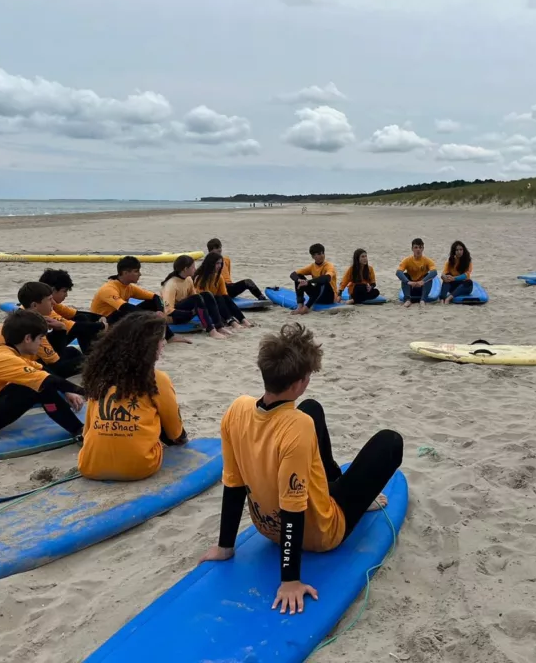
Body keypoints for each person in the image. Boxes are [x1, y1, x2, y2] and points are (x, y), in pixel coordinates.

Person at [198, 323, 403, 613]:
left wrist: (225, 547)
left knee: (312, 408)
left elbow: (233, 483)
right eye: (308, 376)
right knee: (390, 442)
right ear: (297, 383)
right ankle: (354, 503)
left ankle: (335, 483)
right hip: (321, 532)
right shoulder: (297, 427)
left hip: (267, 528)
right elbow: (292, 509)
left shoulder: (237, 409)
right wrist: (290, 580)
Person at [78, 313, 189, 481]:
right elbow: (174, 431)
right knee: (158, 414)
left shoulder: (98, 373)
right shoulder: (156, 378)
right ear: (148, 345)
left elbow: (87, 430)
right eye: (161, 340)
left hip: (89, 466)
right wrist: (181, 438)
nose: (164, 344)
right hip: (140, 468)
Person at [0, 309, 85, 440]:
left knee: (38, 381)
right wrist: (87, 392)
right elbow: (48, 381)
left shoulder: (1, 350)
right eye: (40, 338)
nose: (41, 343)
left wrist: (68, 392)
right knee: (39, 388)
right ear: (27, 338)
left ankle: (71, 422)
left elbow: (42, 370)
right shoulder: (5, 359)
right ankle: (79, 430)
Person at [90, 256, 190, 344]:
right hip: (104, 322)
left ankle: (170, 337)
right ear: (125, 273)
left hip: (119, 317)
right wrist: (151, 315)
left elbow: (156, 297)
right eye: (136, 271)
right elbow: (124, 307)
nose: (140, 274)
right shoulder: (109, 288)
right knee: (128, 311)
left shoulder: (129, 287)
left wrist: (159, 311)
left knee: (152, 304)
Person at [0, 282, 84, 378]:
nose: (54, 303)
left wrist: (60, 329)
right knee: (87, 361)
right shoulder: (31, 326)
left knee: (72, 351)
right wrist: (61, 330)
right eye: (49, 300)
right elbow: (56, 365)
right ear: (34, 305)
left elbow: (54, 352)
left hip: (23, 360)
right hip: (18, 369)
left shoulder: (24, 316)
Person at [161, 255, 231, 340]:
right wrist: (191, 313)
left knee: (207, 295)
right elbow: (168, 311)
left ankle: (219, 326)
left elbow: (195, 298)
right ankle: (211, 330)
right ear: (185, 269)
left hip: (186, 313)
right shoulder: (171, 284)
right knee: (197, 298)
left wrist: (201, 309)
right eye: (193, 267)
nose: (195, 269)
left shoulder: (188, 279)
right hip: (173, 318)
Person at [194, 251, 254, 329]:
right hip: (204, 306)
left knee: (225, 297)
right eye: (217, 263)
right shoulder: (200, 278)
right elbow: (201, 297)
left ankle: (243, 320)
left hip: (216, 304)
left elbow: (224, 295)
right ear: (211, 264)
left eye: (220, 263)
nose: (219, 266)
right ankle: (232, 322)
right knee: (218, 298)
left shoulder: (219, 277)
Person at [289, 243, 338, 315]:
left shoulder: (329, 266)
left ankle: (306, 308)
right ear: (313, 256)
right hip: (317, 296)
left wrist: (308, 282)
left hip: (329, 298)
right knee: (299, 277)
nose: (321, 255)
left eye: (322, 253)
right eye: (318, 254)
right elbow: (293, 274)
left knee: (322, 281)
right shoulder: (312, 267)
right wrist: (300, 280)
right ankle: (300, 306)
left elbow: (326, 278)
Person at [397, 238, 437, 308]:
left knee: (428, 276)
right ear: (412, 249)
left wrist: (422, 281)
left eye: (420, 247)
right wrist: (408, 282)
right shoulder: (407, 260)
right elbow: (398, 272)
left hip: (422, 288)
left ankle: (423, 300)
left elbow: (434, 272)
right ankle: (408, 300)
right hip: (411, 288)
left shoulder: (427, 260)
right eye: (416, 247)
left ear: (423, 249)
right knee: (405, 275)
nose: (418, 249)